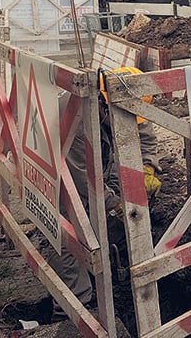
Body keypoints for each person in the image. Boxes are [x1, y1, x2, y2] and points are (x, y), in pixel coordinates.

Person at [50, 67, 163, 317]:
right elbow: (84, 181)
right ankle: (76, 306)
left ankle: (111, 246)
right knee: (68, 225)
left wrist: (147, 168)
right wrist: (117, 204)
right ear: (102, 102)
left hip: (98, 157)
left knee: (112, 185)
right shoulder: (75, 121)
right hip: (59, 170)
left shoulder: (117, 101)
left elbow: (145, 136)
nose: (129, 120)